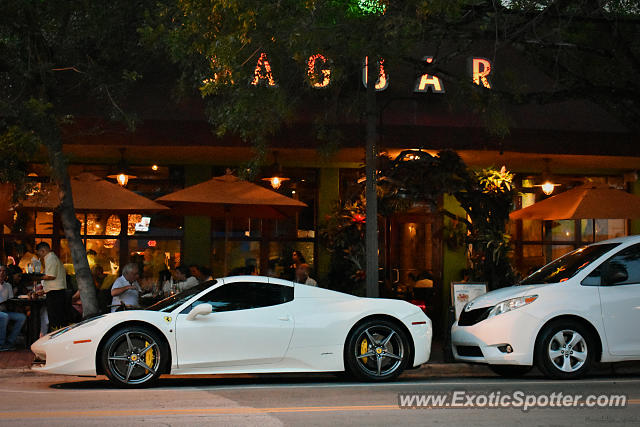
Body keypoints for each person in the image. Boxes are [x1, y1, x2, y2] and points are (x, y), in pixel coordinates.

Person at [36, 242, 67, 331]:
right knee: (56, 317)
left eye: (39, 253)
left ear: (43, 250)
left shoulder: (51, 258)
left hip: (56, 293)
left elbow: (51, 276)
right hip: (55, 292)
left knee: (55, 318)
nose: (40, 256)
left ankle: (56, 336)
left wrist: (36, 277)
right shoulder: (51, 258)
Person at [0, 265, 27, 351]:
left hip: (4, 310)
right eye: (0, 271)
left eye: (4, 271)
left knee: (22, 317)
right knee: (4, 316)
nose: (2, 273)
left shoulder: (7, 285)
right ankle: (1, 344)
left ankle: (10, 341)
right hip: (3, 313)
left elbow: (11, 300)